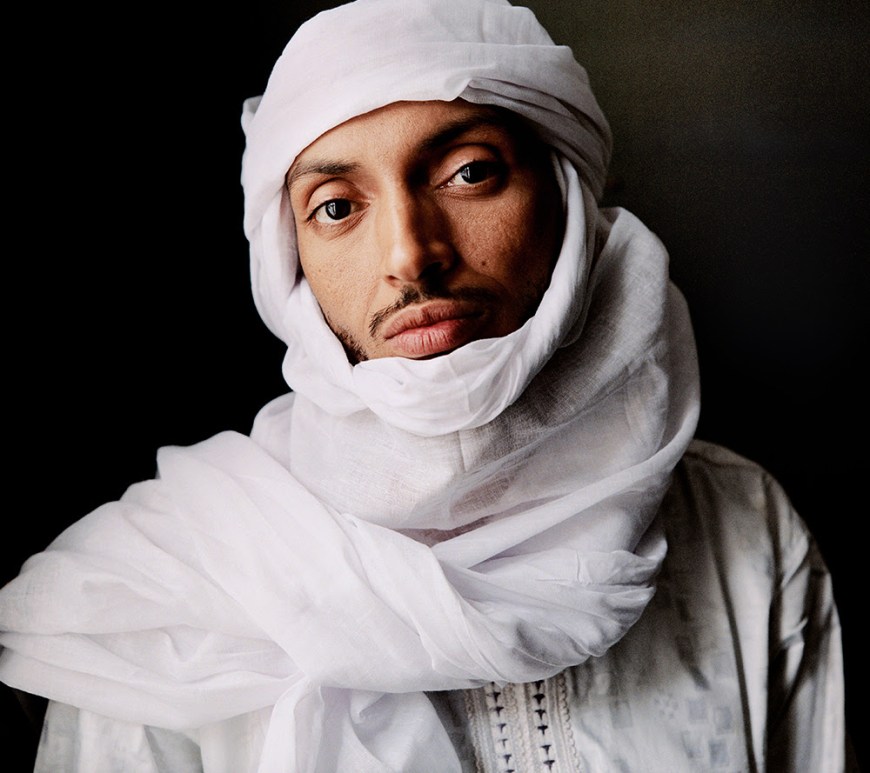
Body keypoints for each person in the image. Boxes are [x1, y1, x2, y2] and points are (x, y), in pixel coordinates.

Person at [0, 0, 852, 770]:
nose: (411, 254)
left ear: (565, 196)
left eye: (469, 172)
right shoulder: (165, 598)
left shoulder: (743, 531)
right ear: (289, 263)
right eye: (337, 207)